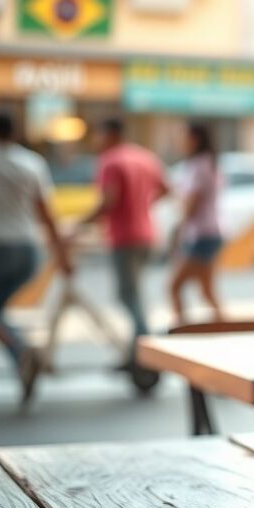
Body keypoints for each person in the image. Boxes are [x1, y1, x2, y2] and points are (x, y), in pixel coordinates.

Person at [0, 109, 72, 406]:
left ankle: (22, 349)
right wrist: (62, 254)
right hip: (28, 251)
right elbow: (47, 216)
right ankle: (21, 365)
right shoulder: (32, 162)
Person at [74, 118, 168, 368]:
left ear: (110, 134)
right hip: (148, 235)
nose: (96, 140)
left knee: (129, 297)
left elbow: (109, 201)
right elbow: (166, 189)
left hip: (125, 237)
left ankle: (145, 353)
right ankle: (137, 351)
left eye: (99, 134)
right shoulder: (145, 157)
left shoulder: (111, 161)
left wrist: (79, 226)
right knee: (134, 295)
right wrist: (142, 205)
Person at [169, 123, 223, 325]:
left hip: (202, 233)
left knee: (174, 286)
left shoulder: (200, 165)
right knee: (207, 290)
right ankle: (223, 325)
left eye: (184, 136)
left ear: (195, 139)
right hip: (208, 231)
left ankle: (181, 330)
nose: (180, 142)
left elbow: (192, 202)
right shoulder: (207, 163)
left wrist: (179, 229)